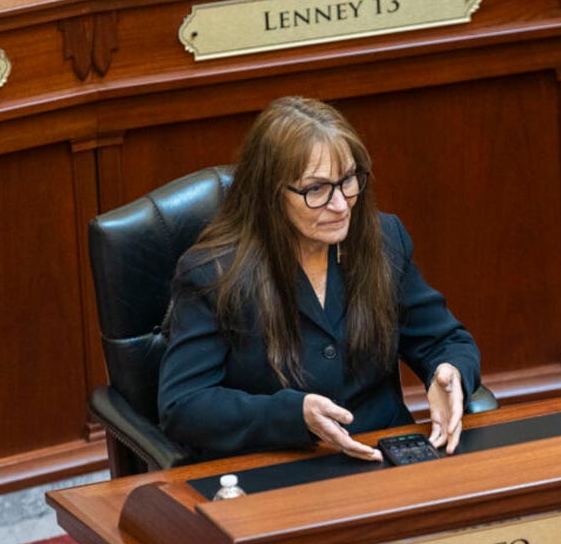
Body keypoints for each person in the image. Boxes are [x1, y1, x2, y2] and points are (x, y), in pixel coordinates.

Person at [158, 96, 481, 463]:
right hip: (279, 464)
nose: (340, 205)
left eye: (347, 180)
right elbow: (184, 404)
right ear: (270, 194)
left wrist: (449, 372)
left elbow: (446, 340)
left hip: (385, 454)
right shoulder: (213, 273)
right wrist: (294, 415)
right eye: (316, 189)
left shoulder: (383, 239)